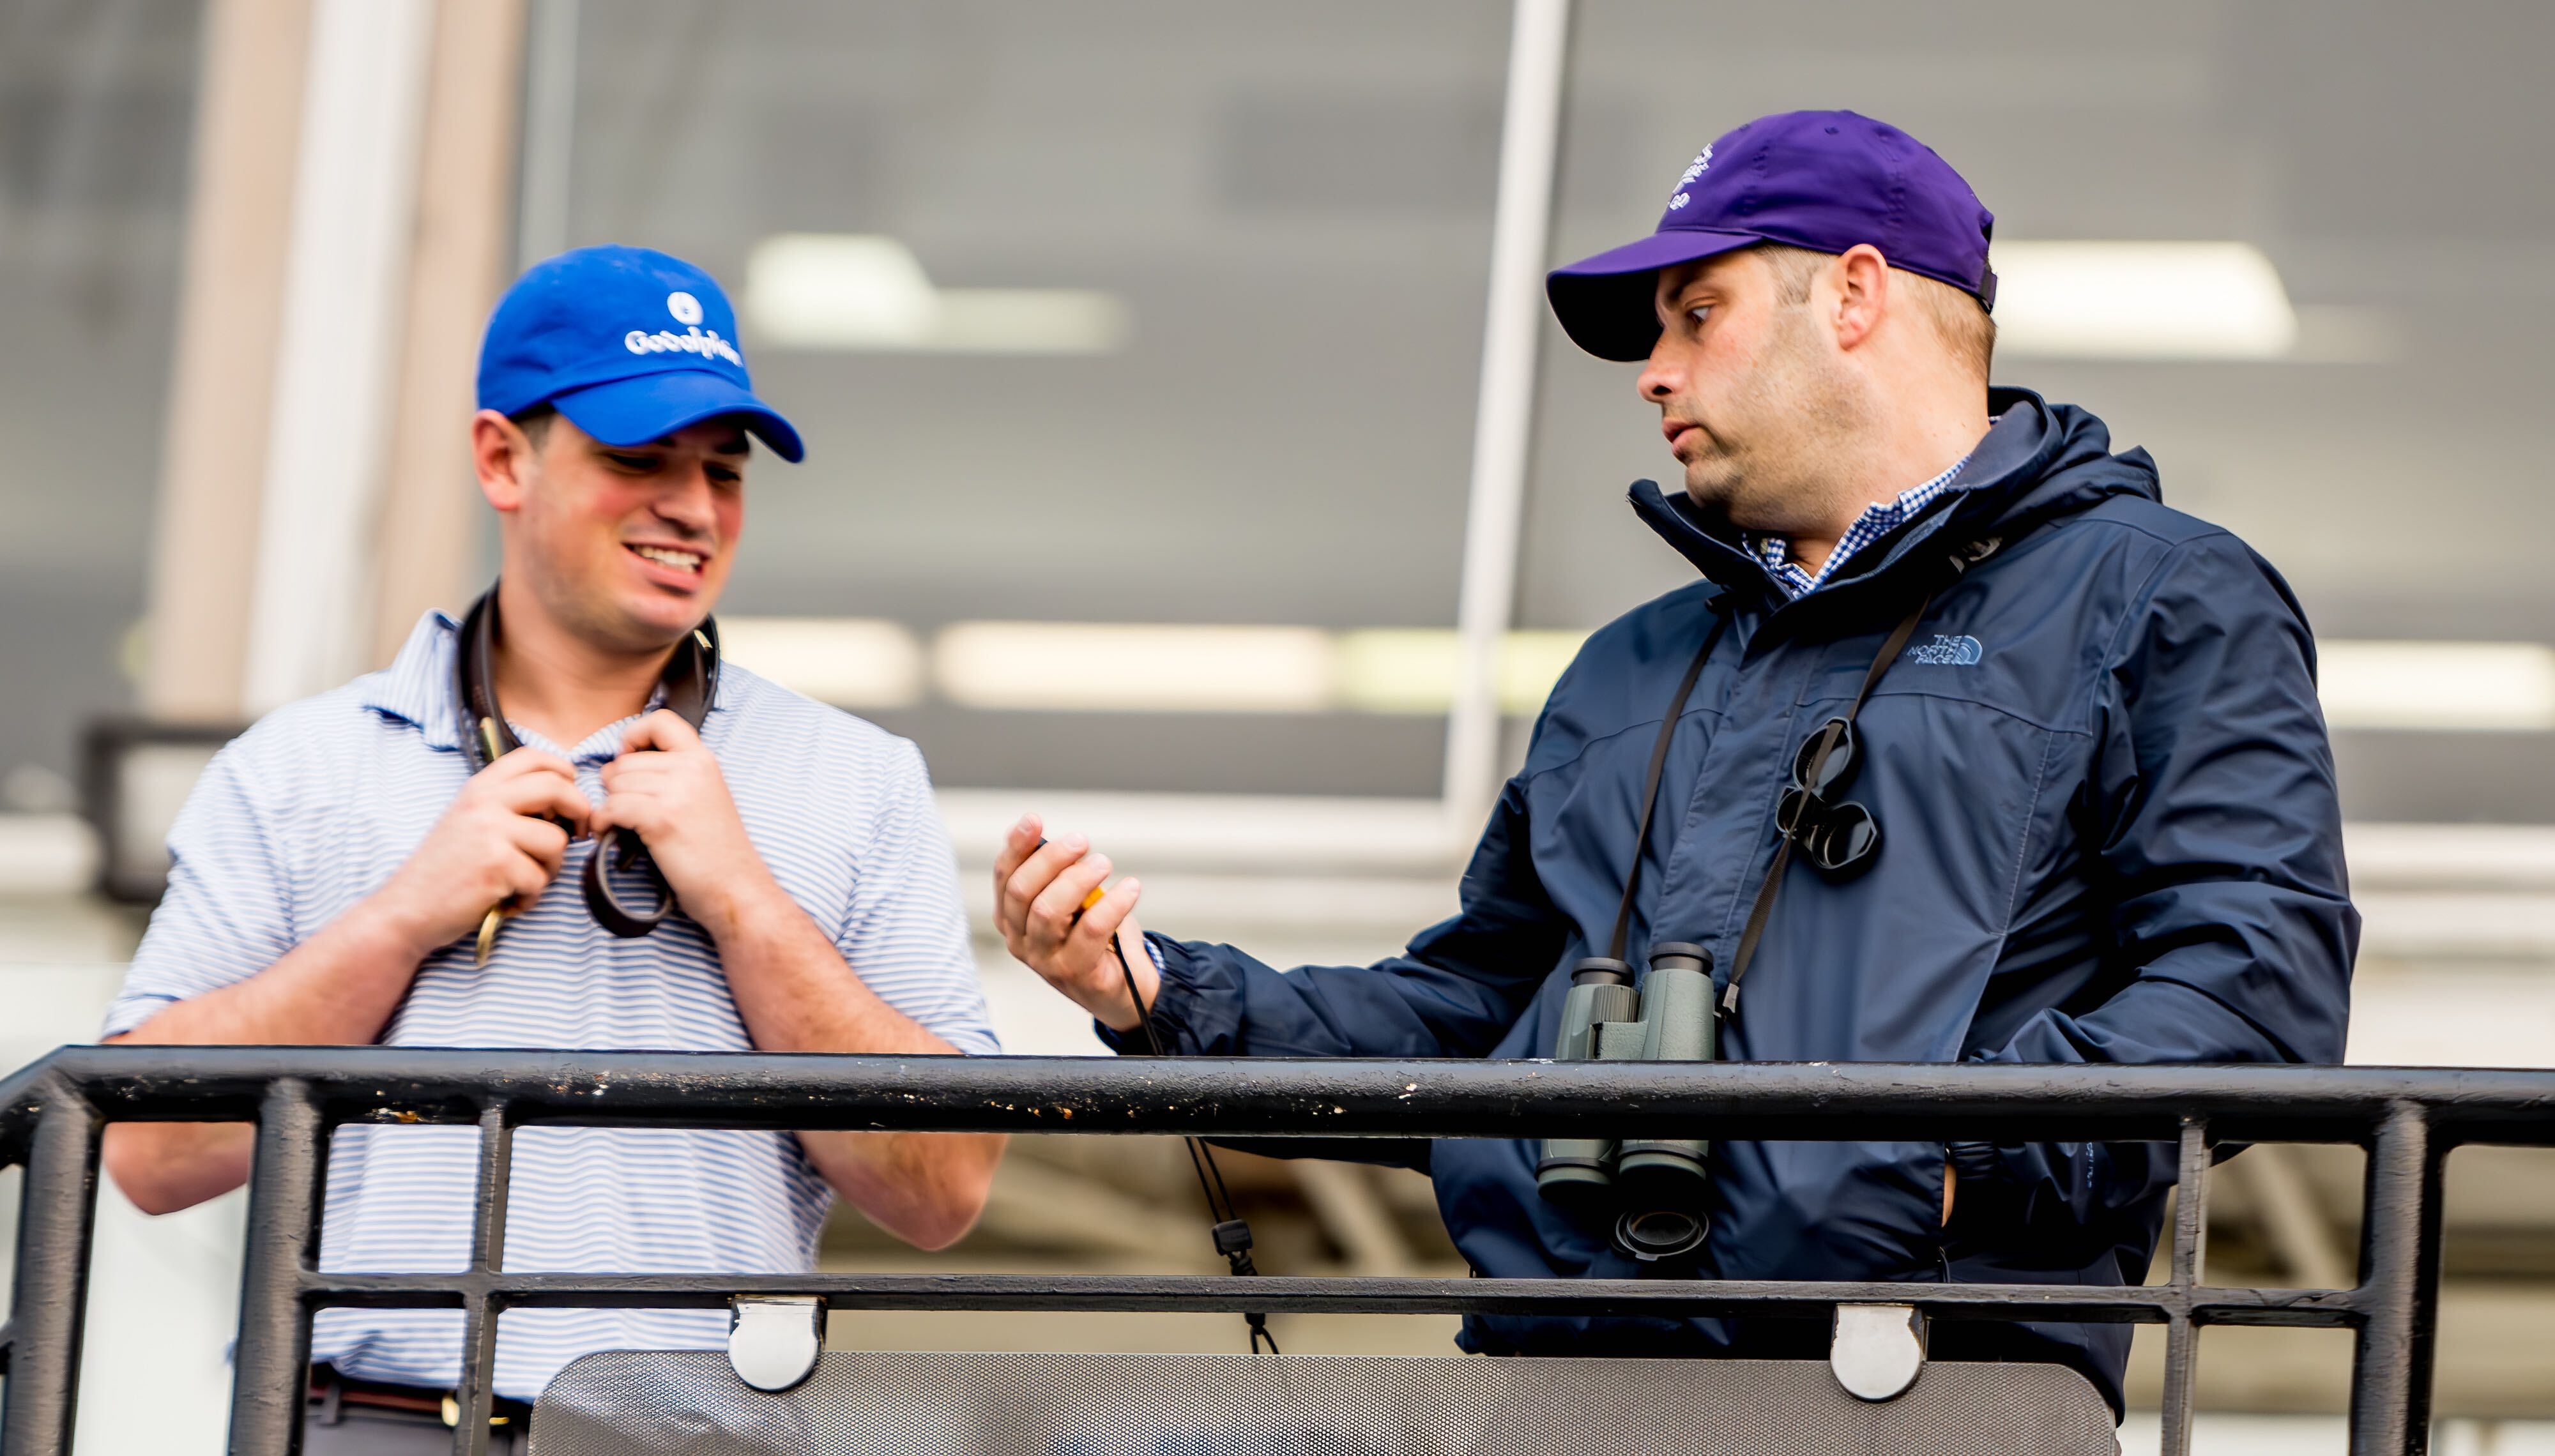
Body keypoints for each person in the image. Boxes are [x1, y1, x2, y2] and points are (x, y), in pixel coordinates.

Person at [996, 110, 2355, 1411]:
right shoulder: (1625, 671)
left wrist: (1930, 1173)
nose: (1652, 372)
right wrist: (1160, 992)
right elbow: (1477, 1022)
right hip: (1555, 1396)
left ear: (1855, 296)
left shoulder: (2159, 599)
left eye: (1693, 314)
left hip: (1929, 1395)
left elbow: (2250, 993)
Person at [102, 245, 1005, 1449]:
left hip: (696, 1436)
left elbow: (943, 1192)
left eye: (723, 470)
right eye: (637, 459)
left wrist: (746, 902)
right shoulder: (297, 766)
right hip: (367, 1427)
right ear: (501, 458)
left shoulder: (856, 778)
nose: (692, 506)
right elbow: (147, 1152)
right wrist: (403, 915)